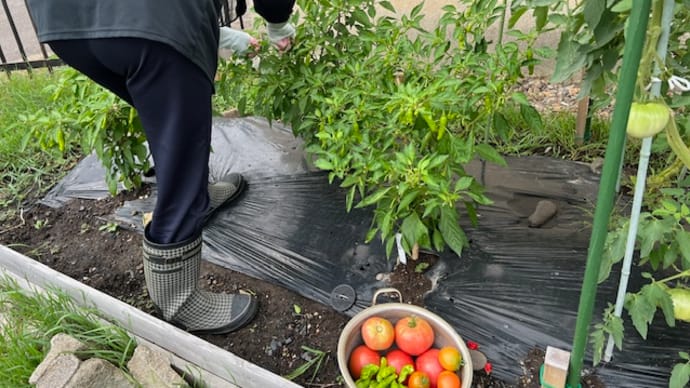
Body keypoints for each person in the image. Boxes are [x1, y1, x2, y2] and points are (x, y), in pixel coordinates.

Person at [24, 0, 296, 334]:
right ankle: (178, 300)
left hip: (65, 24)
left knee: (170, 123)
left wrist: (218, 32)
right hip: (153, 22)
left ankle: (196, 198)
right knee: (179, 143)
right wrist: (278, 23)